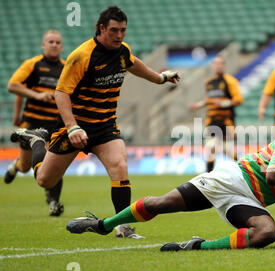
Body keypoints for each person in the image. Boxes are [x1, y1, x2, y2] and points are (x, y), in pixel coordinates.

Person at [10, 6, 180, 238]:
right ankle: (36, 140)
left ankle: (123, 226)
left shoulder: (123, 51)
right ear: (101, 28)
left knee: (119, 167)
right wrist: (72, 127)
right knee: (44, 180)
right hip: (74, 128)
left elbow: (134, 64)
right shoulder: (82, 56)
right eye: (114, 31)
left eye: (123, 30)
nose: (119, 36)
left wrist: (160, 78)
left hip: (105, 126)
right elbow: (61, 93)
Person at [66, 118, 275, 251]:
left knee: (267, 233)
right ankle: (104, 224)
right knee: (163, 204)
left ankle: (197, 246)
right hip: (229, 179)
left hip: (248, 202)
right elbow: (273, 176)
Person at [5, 30, 65, 216]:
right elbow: (14, 86)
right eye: (50, 41)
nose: (54, 45)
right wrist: (36, 97)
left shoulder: (66, 67)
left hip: (53, 125)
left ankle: (54, 202)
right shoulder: (33, 65)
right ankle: (15, 167)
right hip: (31, 124)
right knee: (25, 166)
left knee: (53, 162)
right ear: (43, 45)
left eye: (57, 42)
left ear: (62, 46)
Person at [189, 55, 243, 172]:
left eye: (220, 63)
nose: (218, 66)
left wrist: (223, 103)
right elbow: (208, 100)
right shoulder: (209, 82)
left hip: (226, 121)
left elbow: (238, 99)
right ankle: (208, 176)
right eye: (216, 63)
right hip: (212, 120)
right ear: (213, 66)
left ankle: (241, 171)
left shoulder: (230, 81)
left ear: (224, 66)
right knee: (210, 148)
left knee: (228, 150)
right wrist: (197, 105)